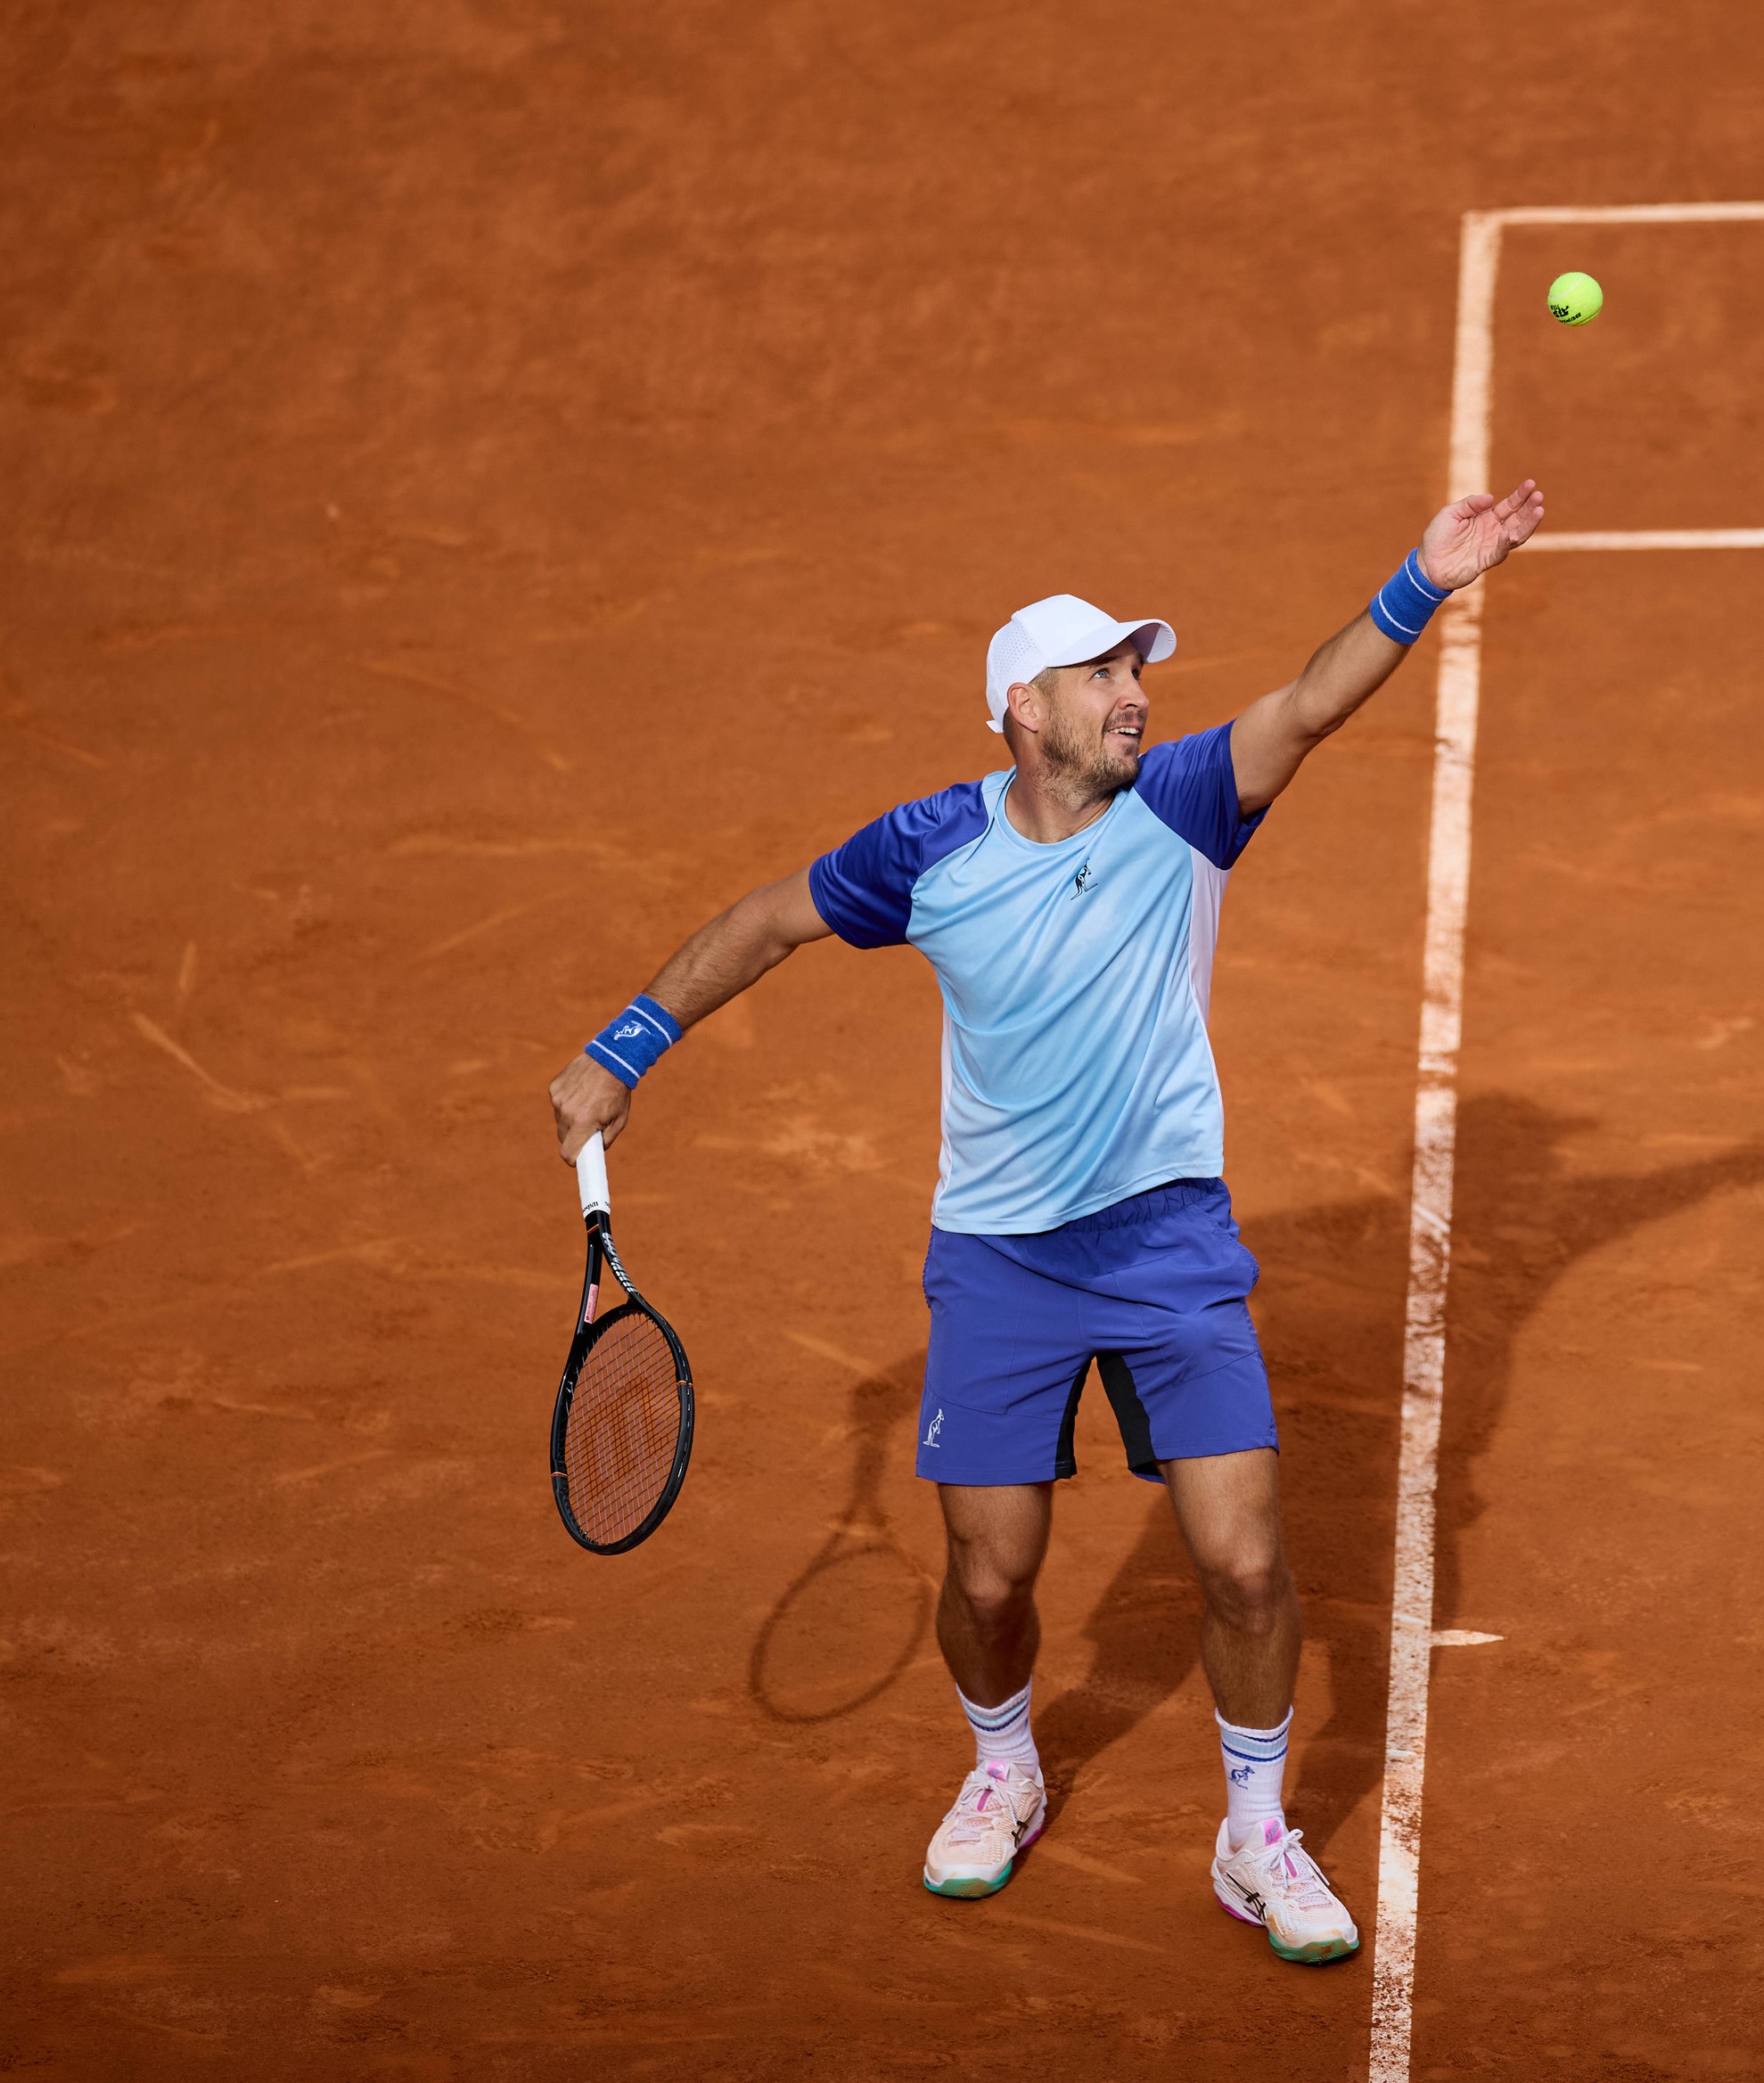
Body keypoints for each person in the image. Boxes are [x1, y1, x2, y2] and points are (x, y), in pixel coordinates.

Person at [547, 480, 1546, 1964]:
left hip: (1169, 1250)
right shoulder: (928, 851)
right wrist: (622, 1050)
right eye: (1107, 675)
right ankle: (1005, 1759)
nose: (1139, 695)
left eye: (1141, 670)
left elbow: (1311, 703)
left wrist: (1422, 579)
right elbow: (765, 921)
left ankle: (1254, 1828)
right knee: (994, 1576)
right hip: (1003, 1262)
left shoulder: (1191, 805)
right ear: (1026, 706)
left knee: (1249, 1562)